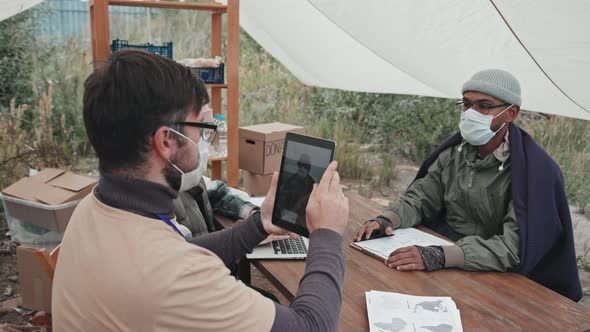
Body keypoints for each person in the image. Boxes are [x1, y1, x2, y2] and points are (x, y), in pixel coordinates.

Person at [52, 49, 350, 331]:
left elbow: (179, 254)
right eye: (201, 128)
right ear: (166, 141)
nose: (204, 142)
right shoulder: (175, 277)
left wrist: (259, 225)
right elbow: (314, 326)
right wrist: (327, 233)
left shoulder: (93, 210)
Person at [355, 69, 582, 301]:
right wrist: (387, 219)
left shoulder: (536, 172)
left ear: (511, 113)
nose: (472, 113)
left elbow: (514, 248)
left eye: (484, 106)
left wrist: (440, 256)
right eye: (467, 104)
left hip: (502, 277)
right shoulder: (455, 153)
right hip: (450, 257)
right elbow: (422, 197)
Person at [276, 153, 316, 228]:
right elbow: (281, 199)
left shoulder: (312, 185)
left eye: (306, 166)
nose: (302, 168)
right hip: (285, 217)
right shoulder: (291, 180)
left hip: (301, 221)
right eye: (300, 165)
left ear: (309, 169)